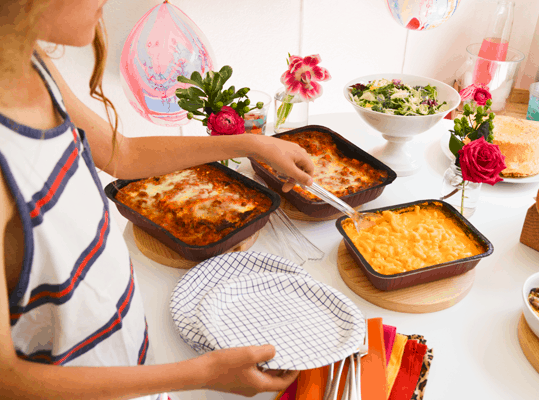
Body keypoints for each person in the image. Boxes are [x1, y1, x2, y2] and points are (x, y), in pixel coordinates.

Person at [0, 0, 312, 398]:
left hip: (125, 360)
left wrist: (253, 143)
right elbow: (7, 380)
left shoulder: (30, 62)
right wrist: (203, 374)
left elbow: (121, 154)